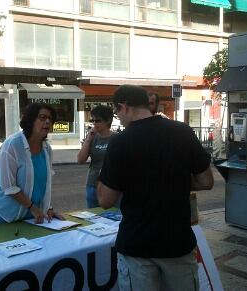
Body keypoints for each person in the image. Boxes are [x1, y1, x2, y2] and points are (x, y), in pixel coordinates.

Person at [97, 85, 214, 291]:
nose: (117, 117)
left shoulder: (120, 142)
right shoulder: (183, 131)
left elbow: (105, 200)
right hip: (178, 243)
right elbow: (206, 181)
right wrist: (174, 180)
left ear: (124, 106)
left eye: (116, 112)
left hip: (137, 246)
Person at [0, 103, 64, 225]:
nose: (48, 121)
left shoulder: (47, 149)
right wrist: (33, 208)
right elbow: (9, 187)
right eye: (42, 117)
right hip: (3, 213)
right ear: (31, 120)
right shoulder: (12, 145)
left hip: (30, 214)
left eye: (50, 119)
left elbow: (43, 185)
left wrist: (48, 207)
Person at [77, 105, 114, 208]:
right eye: (92, 120)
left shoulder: (116, 138)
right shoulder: (92, 138)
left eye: (98, 121)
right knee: (92, 216)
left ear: (107, 121)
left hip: (110, 186)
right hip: (92, 183)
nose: (94, 123)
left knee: (111, 217)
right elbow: (80, 160)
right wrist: (88, 139)